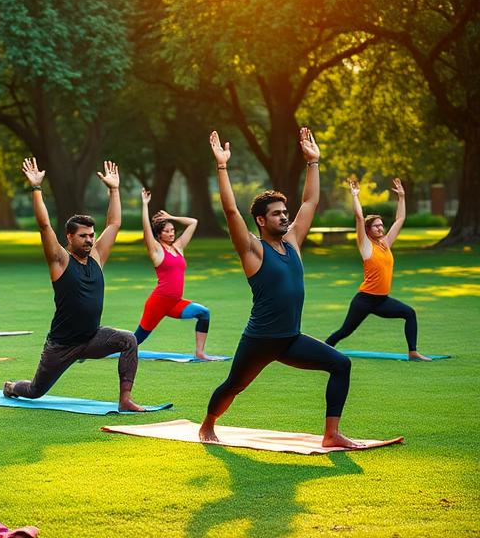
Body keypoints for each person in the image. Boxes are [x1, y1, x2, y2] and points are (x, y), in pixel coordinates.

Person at [199, 129, 358, 448]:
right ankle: (208, 425)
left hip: (290, 338)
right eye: (277, 214)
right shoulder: (253, 250)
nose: (285, 217)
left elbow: (310, 200)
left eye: (286, 213)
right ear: (260, 220)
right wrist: (222, 167)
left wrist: (313, 162)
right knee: (233, 385)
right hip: (260, 340)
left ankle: (331, 434)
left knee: (341, 364)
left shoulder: (294, 242)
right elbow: (231, 212)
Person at [3, 158, 144, 412]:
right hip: (62, 344)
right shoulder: (60, 260)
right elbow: (44, 225)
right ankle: (11, 387)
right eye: (83, 236)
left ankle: (125, 399)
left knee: (129, 340)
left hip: (92, 337)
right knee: (36, 391)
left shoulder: (98, 257)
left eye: (91, 235)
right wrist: (36, 189)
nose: (90, 240)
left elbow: (114, 224)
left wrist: (114, 189)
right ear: (69, 237)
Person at [325, 179, 430, 361]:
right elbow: (359, 217)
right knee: (345, 331)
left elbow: (400, 219)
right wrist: (355, 196)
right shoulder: (366, 246)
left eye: (382, 225)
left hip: (382, 300)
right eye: (376, 226)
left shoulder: (385, 243)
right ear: (368, 229)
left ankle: (413, 352)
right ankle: (324, 349)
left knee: (409, 313)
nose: (381, 228)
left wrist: (402, 197)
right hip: (364, 300)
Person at [134, 188, 212, 359]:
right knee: (135, 340)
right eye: (167, 231)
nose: (171, 233)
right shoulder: (156, 250)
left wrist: (171, 217)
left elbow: (193, 222)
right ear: (159, 234)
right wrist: (145, 205)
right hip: (158, 303)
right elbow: (147, 229)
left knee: (204, 313)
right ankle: (96, 349)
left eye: (172, 230)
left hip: (175, 303)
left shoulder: (178, 247)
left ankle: (200, 352)